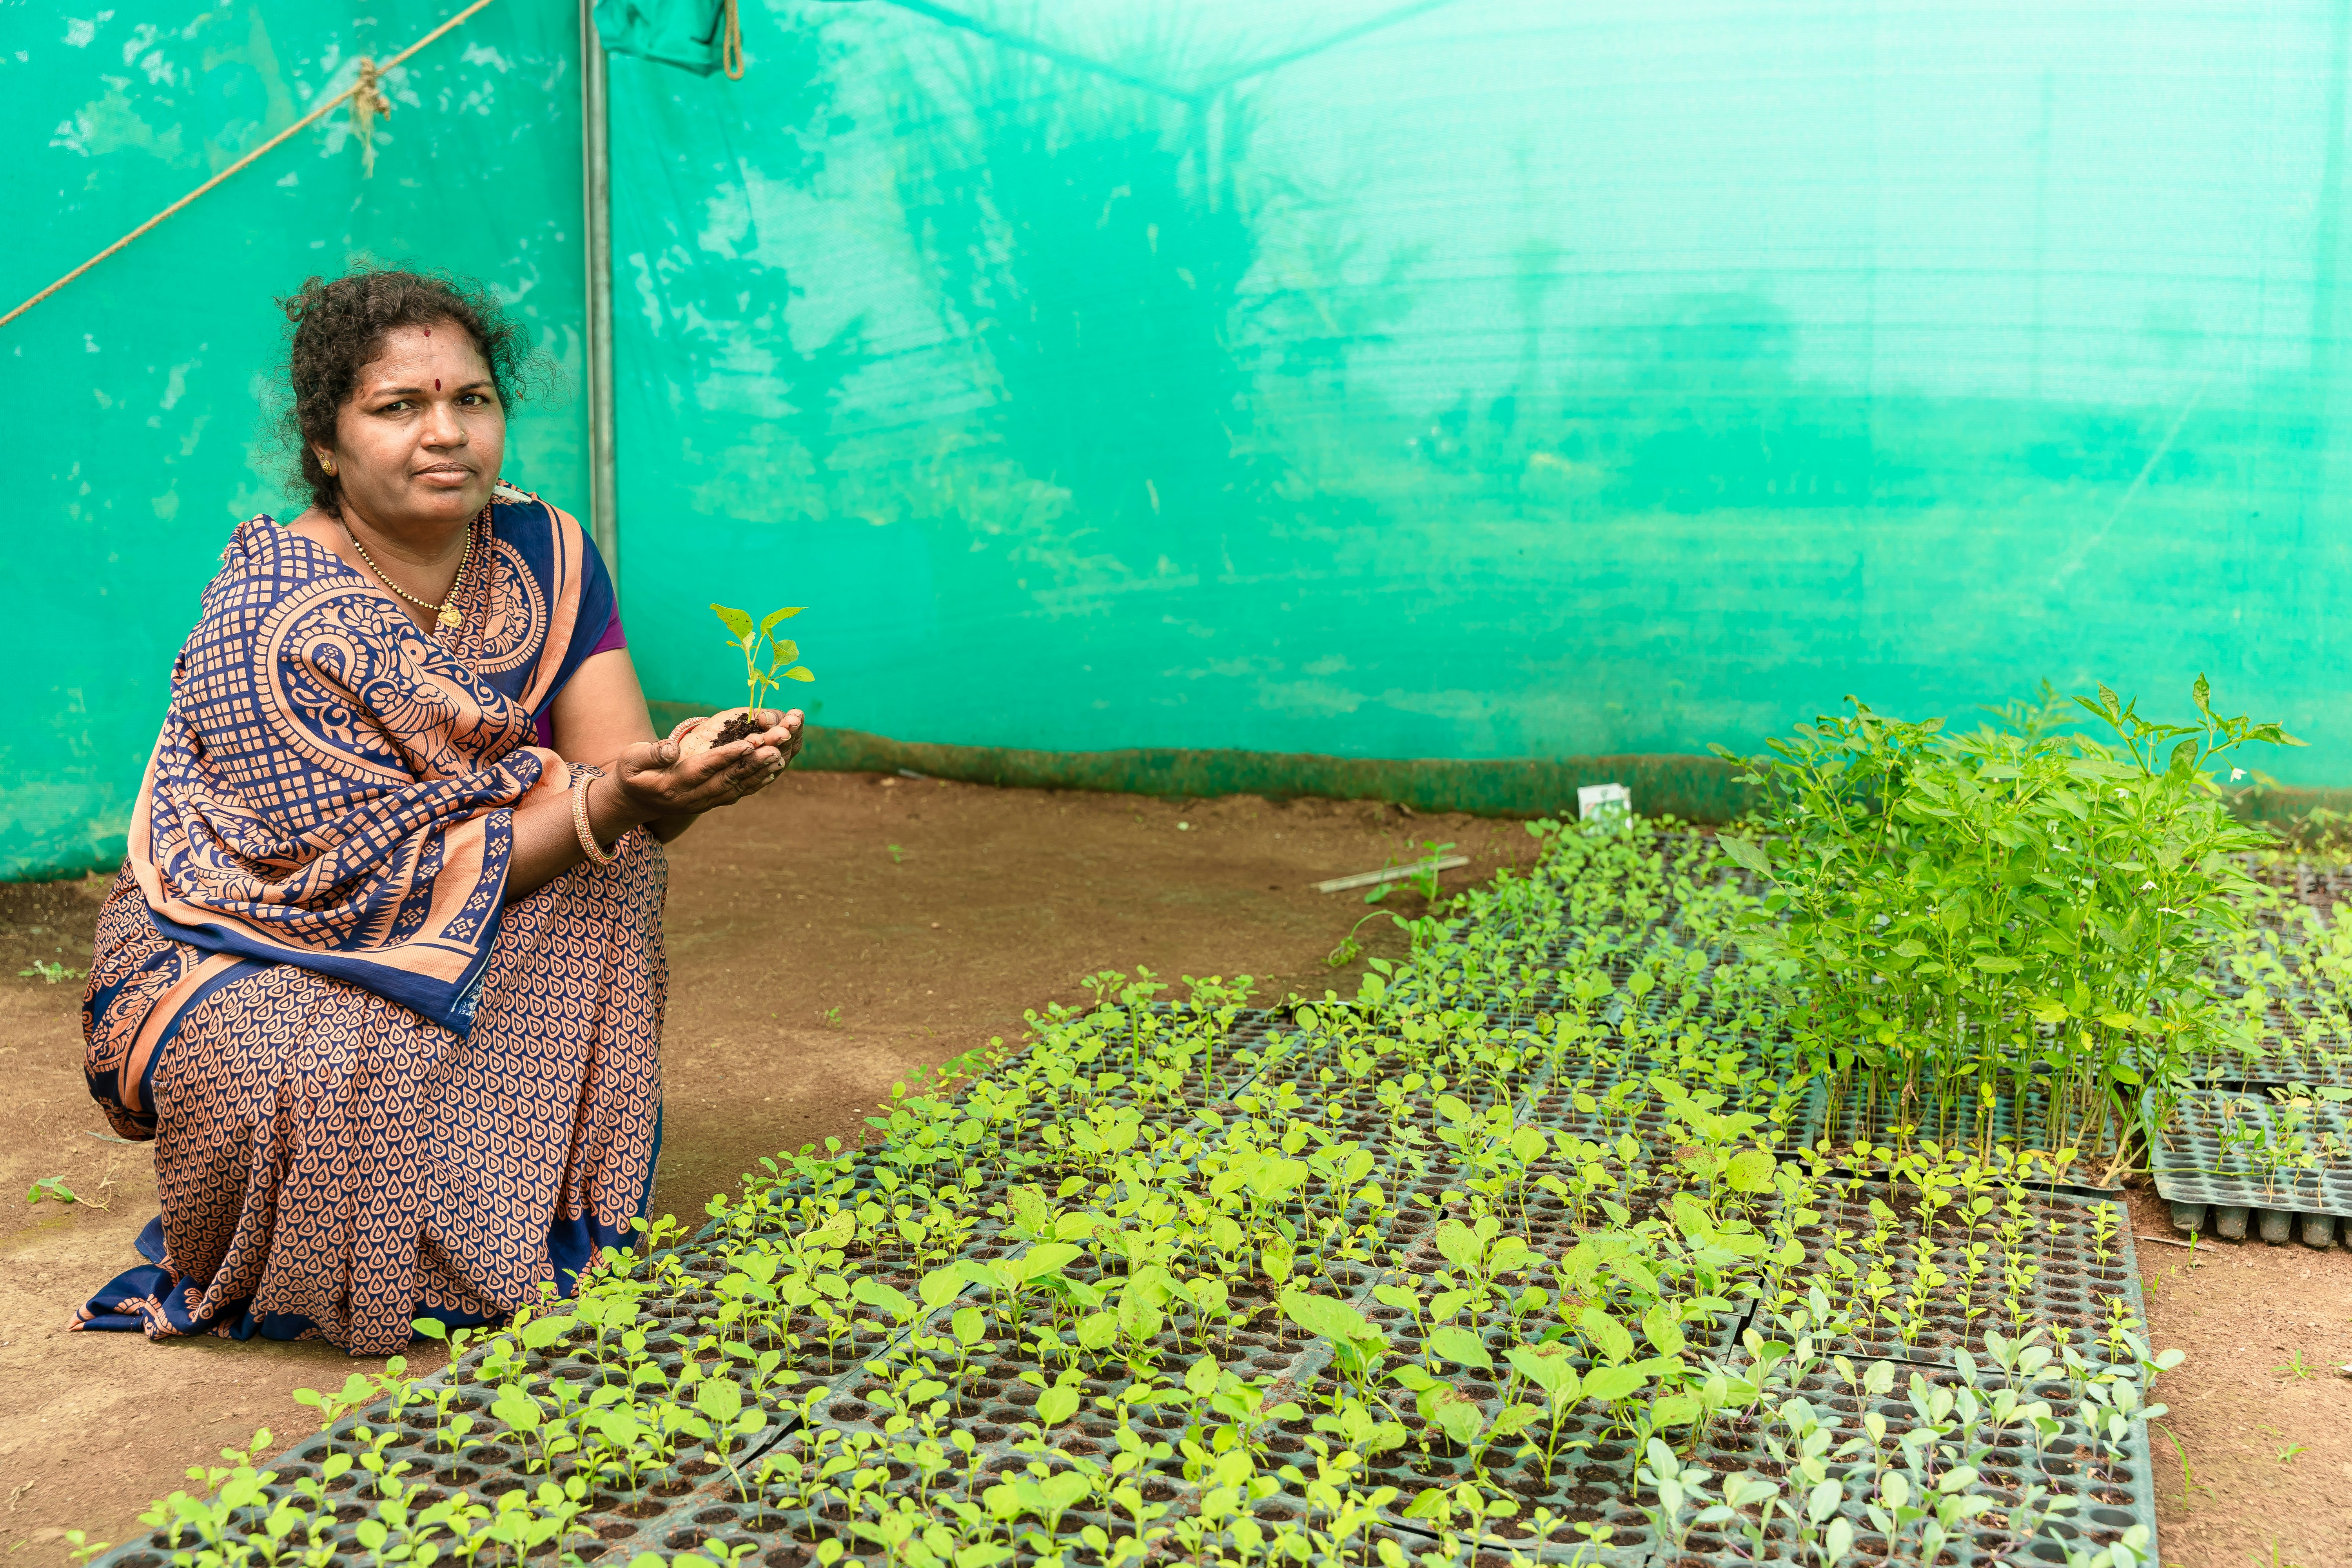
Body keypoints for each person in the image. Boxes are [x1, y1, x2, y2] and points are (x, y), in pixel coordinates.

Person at [72, 267, 795, 1355]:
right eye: (398, 407)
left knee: (614, 855)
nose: (445, 433)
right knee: (298, 1064)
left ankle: (504, 1217)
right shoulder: (270, 617)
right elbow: (342, 883)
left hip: (481, 898)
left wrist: (676, 779)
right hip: (250, 927)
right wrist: (609, 802)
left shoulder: (544, 555)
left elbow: (615, 788)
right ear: (327, 443)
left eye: (472, 400)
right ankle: (350, 1243)